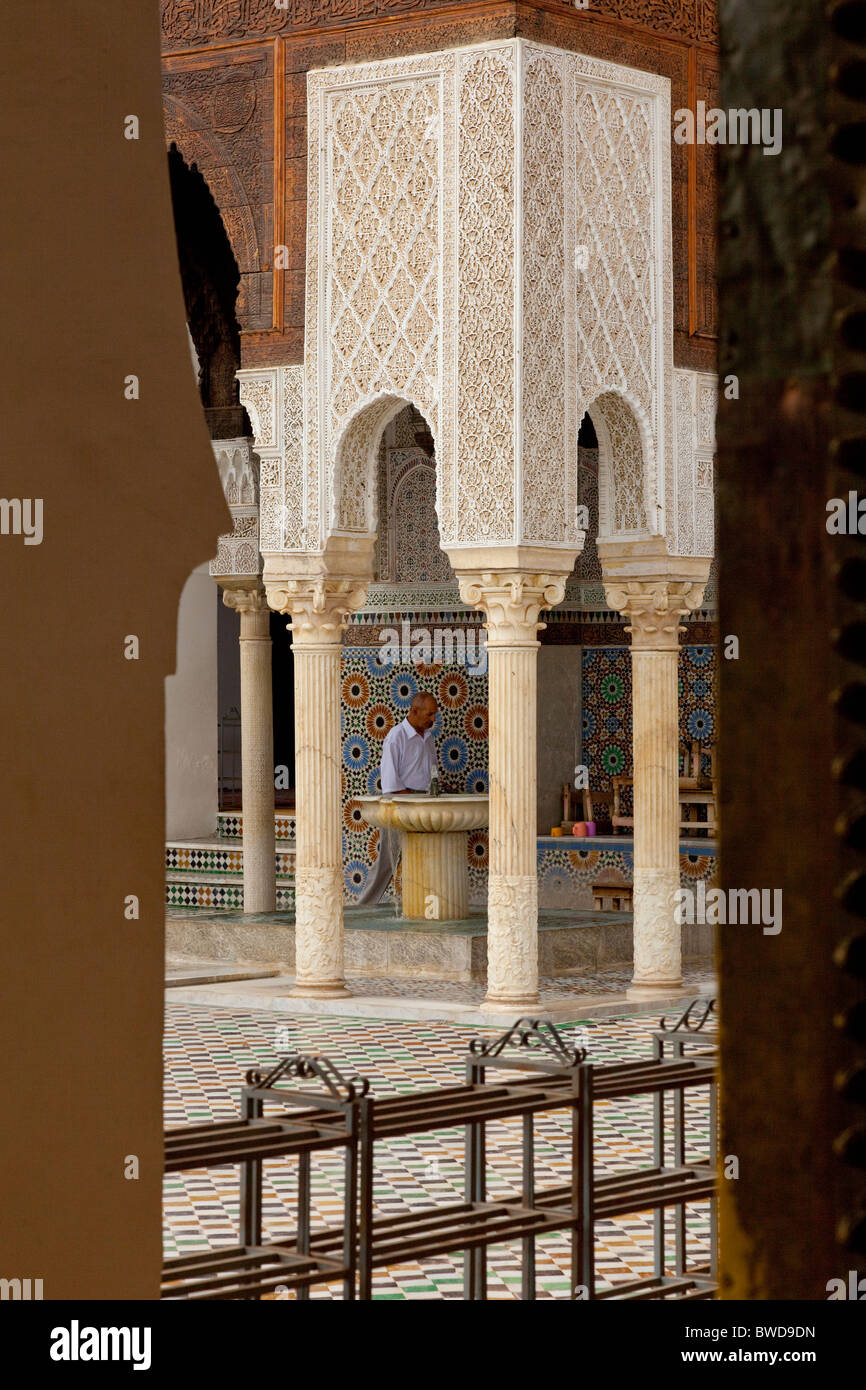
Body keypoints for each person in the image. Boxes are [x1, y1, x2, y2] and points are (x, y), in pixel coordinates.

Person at [352, 691, 438, 907]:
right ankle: (362, 908)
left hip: (424, 802)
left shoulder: (428, 738)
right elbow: (390, 783)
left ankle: (420, 906)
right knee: (388, 862)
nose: (433, 719)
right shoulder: (396, 736)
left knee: (422, 857)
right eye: (429, 714)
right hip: (400, 803)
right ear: (414, 711)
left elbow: (430, 772)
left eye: (435, 714)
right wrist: (412, 798)